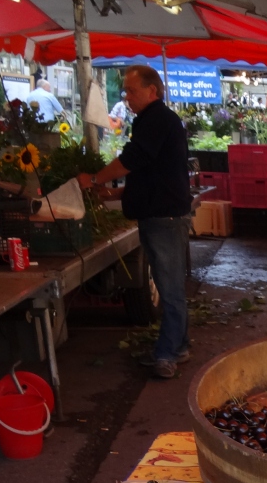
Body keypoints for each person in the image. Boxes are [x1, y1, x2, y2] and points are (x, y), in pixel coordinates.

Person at [77, 65, 191, 380]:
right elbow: (151, 176)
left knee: (170, 289)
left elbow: (132, 159)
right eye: (125, 91)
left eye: (131, 90)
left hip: (165, 218)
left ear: (152, 91)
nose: (126, 97)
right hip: (160, 214)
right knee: (170, 287)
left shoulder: (157, 119)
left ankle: (168, 354)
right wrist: (114, 193)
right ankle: (178, 346)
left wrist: (95, 178)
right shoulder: (152, 120)